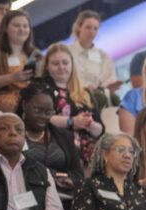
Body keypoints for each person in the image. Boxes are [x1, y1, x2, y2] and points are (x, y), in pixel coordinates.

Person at [39, 44, 104, 176]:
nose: (61, 67)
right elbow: (43, 117)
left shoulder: (84, 93)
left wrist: (90, 124)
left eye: (65, 62)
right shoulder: (41, 89)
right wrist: (72, 122)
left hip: (89, 153)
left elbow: (100, 130)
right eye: (56, 63)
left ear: (72, 64)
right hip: (58, 147)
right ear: (47, 66)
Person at [19, 81, 82, 197]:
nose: (43, 116)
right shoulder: (12, 134)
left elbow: (78, 174)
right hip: (24, 195)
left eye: (48, 112)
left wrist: (69, 180)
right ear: (24, 105)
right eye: (37, 111)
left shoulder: (64, 136)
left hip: (60, 197)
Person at [0, 10, 40, 112]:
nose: (22, 29)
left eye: (25, 26)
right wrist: (11, 78)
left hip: (31, 100)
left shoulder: (35, 54)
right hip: (1, 103)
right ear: (5, 28)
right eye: (16, 25)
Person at [67, 10, 121, 110]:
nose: (92, 32)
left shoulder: (103, 55)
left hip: (102, 100)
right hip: (76, 100)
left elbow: (109, 79)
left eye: (95, 28)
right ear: (79, 27)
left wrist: (109, 86)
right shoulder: (67, 53)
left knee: (114, 100)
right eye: (88, 27)